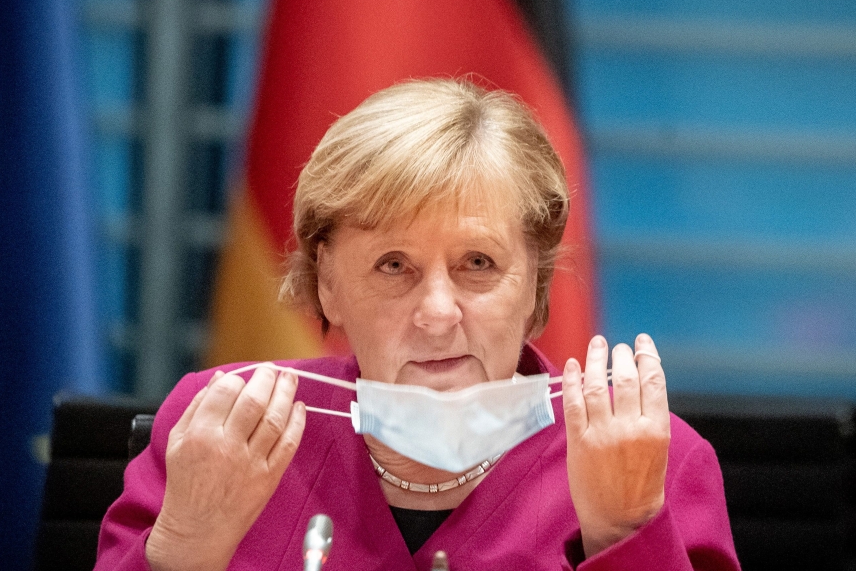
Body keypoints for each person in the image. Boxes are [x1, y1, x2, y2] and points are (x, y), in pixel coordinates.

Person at [95, 79, 739, 570]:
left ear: (535, 290)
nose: (437, 312)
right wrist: (184, 546)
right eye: (393, 265)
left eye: (478, 263)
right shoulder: (220, 424)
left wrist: (624, 534)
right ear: (327, 285)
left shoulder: (653, 460)